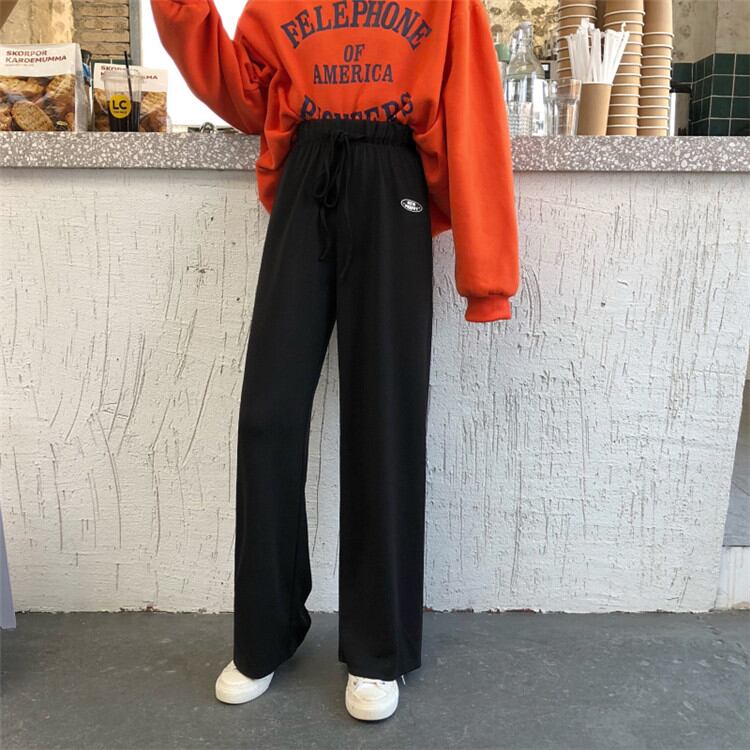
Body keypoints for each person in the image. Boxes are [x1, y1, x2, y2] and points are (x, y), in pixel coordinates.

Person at [151, 0, 519, 721]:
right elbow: (244, 95)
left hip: (392, 173)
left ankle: (379, 651)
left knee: (384, 414)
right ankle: (266, 633)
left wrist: (487, 277)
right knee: (269, 415)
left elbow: (473, 113)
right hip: (307, 171)